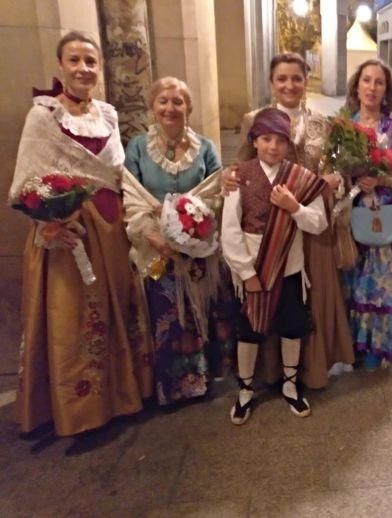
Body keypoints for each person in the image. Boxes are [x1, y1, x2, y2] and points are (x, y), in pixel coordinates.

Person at [9, 32, 153, 437]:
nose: (83, 69)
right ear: (60, 66)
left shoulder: (107, 114)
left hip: (108, 228)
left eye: (90, 61)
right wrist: (47, 222)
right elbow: (27, 180)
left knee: (115, 308)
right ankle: (79, 408)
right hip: (68, 231)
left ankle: (122, 396)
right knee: (73, 317)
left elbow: (116, 173)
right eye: (74, 60)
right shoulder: (44, 115)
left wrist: (146, 214)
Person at [229, 52, 354, 387]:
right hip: (268, 228)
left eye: (296, 78)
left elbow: (335, 169)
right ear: (271, 82)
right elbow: (241, 165)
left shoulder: (322, 123)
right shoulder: (254, 118)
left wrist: (335, 180)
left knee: (308, 298)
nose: (289, 85)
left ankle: (308, 372)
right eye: (281, 78)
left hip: (310, 225)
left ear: (306, 80)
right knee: (273, 291)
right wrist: (229, 180)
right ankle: (270, 373)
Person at [123, 76, 236, 406]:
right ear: (152, 107)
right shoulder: (138, 148)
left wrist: (194, 230)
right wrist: (154, 236)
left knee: (201, 308)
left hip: (197, 249)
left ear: (189, 107)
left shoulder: (206, 147)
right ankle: (172, 387)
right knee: (166, 311)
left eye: (178, 102)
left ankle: (201, 379)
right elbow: (130, 195)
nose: (170, 108)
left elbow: (216, 192)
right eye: (163, 101)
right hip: (157, 249)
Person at [221, 108, 328, 423]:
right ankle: (244, 391)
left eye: (280, 140)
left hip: (291, 268)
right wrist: (246, 273)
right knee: (250, 330)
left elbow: (319, 223)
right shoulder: (240, 175)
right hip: (253, 271)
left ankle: (291, 386)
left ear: (288, 144)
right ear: (254, 141)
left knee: (292, 328)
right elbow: (229, 230)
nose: (272, 147)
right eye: (266, 139)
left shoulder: (300, 178)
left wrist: (294, 208)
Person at [343, 59, 392, 370]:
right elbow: (333, 171)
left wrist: (383, 179)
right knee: (356, 281)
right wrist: (352, 180)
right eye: (366, 81)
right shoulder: (345, 127)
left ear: (386, 90)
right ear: (356, 86)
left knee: (386, 284)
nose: (372, 87)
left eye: (379, 82)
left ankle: (385, 345)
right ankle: (361, 347)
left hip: (387, 220)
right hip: (353, 216)